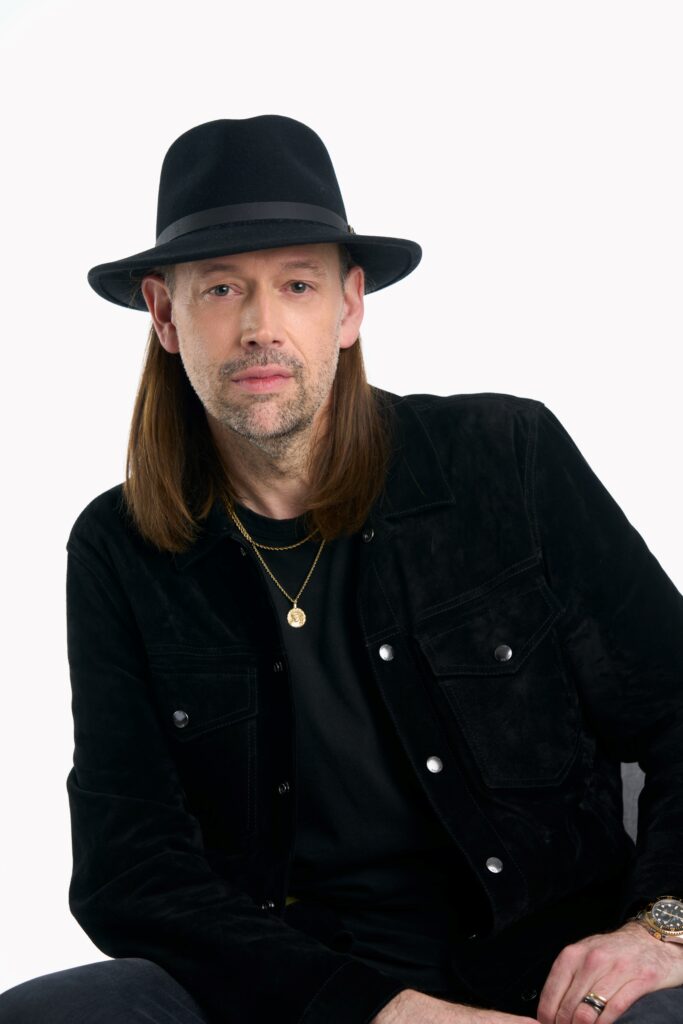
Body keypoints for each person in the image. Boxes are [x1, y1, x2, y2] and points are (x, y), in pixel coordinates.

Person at [1, 115, 682, 1024]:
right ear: (164, 315)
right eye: (219, 290)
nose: (259, 327)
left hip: (556, 975)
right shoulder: (121, 549)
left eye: (295, 284)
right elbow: (133, 870)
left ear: (349, 306)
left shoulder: (503, 459)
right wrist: (385, 1012)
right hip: (296, 993)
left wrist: (663, 928)